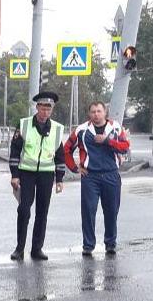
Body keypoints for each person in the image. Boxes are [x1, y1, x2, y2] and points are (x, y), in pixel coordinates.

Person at [64, 101, 130, 256]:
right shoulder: (81, 130)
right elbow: (66, 150)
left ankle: (110, 243)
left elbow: (125, 147)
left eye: (99, 111)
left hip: (111, 175)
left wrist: (107, 141)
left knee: (111, 211)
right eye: (93, 111)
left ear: (105, 112)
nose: (96, 114)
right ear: (89, 114)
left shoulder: (115, 127)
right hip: (90, 176)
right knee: (88, 211)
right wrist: (74, 167)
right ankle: (88, 245)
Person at [8, 91, 65, 261]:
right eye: (42, 108)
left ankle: (37, 249)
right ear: (37, 107)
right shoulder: (24, 125)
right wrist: (14, 175)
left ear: (52, 110)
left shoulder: (56, 129)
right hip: (26, 173)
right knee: (24, 210)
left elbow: (60, 155)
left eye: (49, 108)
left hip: (46, 175)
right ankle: (19, 249)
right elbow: (15, 151)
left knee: (42, 212)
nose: (45, 112)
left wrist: (60, 178)